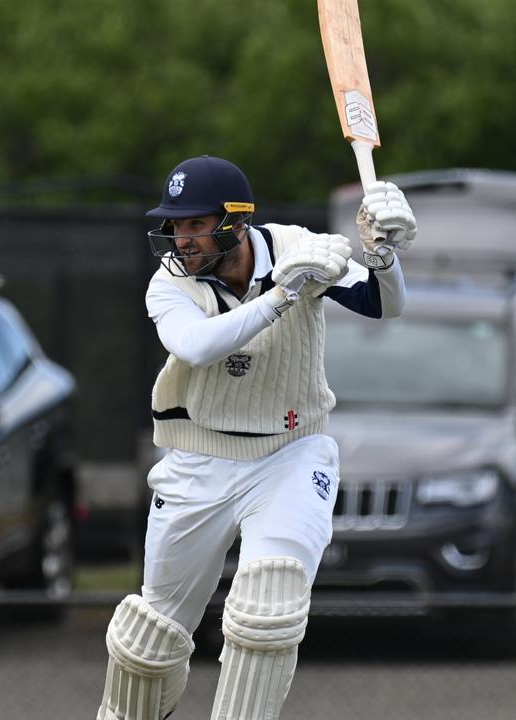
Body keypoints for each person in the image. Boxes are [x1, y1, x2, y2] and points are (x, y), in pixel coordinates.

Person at [96, 155, 416, 719]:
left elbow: (385, 305)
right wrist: (282, 296)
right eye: (175, 225)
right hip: (198, 456)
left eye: (196, 224)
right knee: (148, 642)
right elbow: (196, 346)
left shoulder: (298, 248)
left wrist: (384, 256)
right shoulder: (168, 284)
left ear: (236, 222)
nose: (182, 239)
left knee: (270, 602)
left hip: (289, 454)